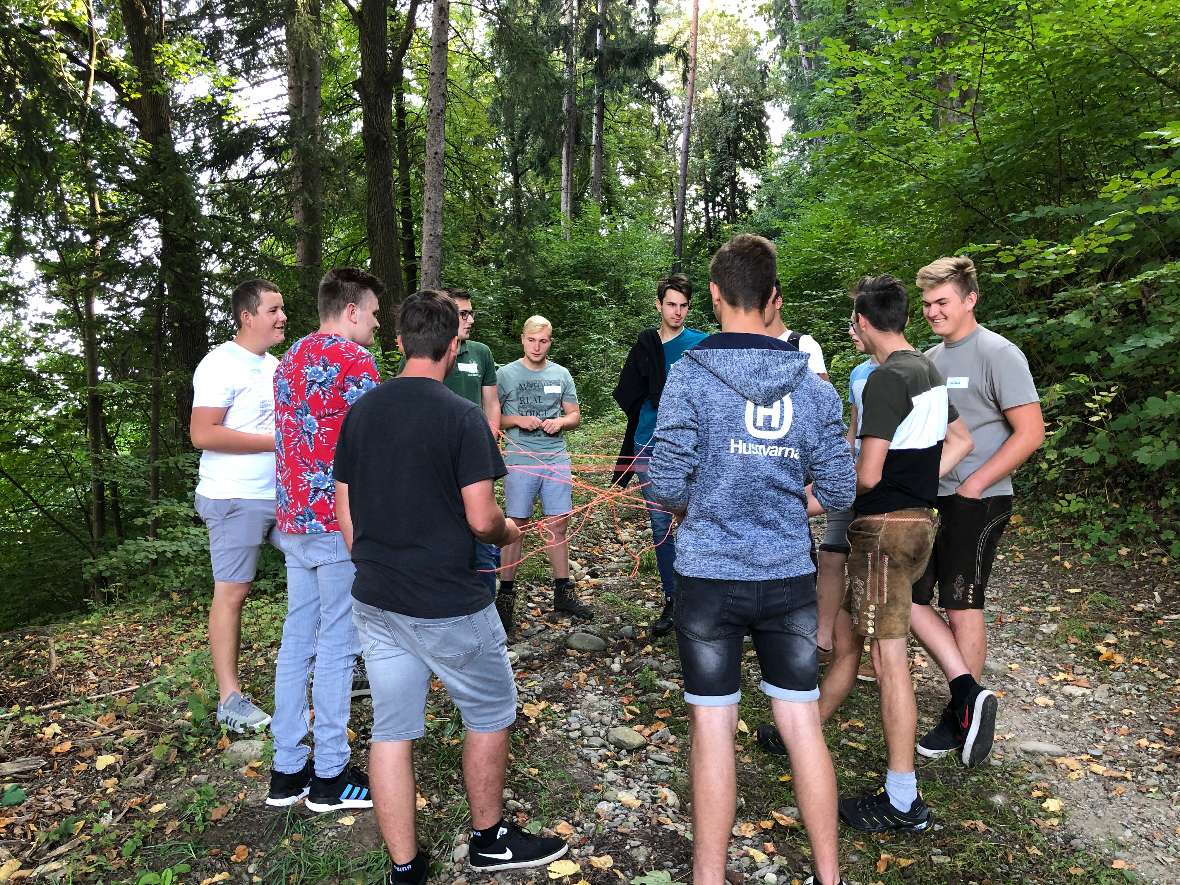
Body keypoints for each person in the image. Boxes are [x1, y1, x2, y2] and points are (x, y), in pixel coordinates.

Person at [335, 291, 569, 884]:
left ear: (400, 344)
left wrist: (371, 563)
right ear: (453, 344)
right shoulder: (461, 416)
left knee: (392, 729)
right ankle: (489, 840)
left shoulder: (362, 412)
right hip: (448, 601)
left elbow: (345, 510)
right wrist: (510, 531)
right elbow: (481, 516)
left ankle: (405, 868)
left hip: (376, 596)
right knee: (490, 713)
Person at [649, 234, 856, 885]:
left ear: (712, 295)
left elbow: (663, 483)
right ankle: (830, 876)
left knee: (714, 731)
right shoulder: (813, 386)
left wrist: (695, 500)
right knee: (801, 724)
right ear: (773, 298)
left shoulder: (689, 374)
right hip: (789, 579)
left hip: (708, 578)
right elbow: (843, 490)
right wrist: (791, 496)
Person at [815, 274, 980, 834]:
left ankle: (903, 800)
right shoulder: (927, 369)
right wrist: (917, 488)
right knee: (863, 643)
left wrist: (809, 500)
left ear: (862, 322)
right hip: (916, 524)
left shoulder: (886, 381)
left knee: (888, 662)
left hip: (883, 535)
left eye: (852, 321)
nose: (852, 330)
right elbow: (962, 442)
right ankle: (810, 729)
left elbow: (864, 476)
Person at [912, 256, 1045, 763]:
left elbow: (1030, 433)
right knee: (914, 596)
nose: (932, 311)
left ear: (970, 299)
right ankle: (967, 690)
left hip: (981, 497)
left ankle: (959, 715)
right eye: (926, 304)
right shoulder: (929, 358)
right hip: (935, 496)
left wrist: (975, 484)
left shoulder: (998, 353)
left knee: (961, 601)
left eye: (942, 301)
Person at [266, 267, 383, 811]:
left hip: (293, 522)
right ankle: (331, 776)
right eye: (375, 314)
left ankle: (287, 770)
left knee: (297, 642)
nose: (378, 325)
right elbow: (376, 439)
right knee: (337, 645)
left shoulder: (289, 359)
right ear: (353, 310)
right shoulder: (354, 361)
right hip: (337, 525)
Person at [191, 279, 286, 733]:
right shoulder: (219, 364)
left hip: (282, 495)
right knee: (233, 592)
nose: (282, 317)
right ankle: (230, 699)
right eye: (273, 310)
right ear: (248, 316)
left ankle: (338, 666)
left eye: (281, 309)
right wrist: (276, 441)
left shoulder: (276, 365)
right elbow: (203, 434)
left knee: (323, 566)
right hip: (234, 495)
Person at [611, 274, 708, 636]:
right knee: (660, 525)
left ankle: (700, 598)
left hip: (691, 445)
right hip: (648, 443)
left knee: (696, 520)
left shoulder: (701, 344)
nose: (677, 311)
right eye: (671, 304)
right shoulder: (646, 343)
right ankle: (673, 600)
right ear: (659, 305)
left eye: (683, 305)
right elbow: (628, 392)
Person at [496, 315, 591, 625]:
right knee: (516, 526)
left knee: (558, 525)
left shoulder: (561, 374)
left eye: (544, 341)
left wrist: (560, 422)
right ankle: (506, 596)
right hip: (520, 459)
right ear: (523, 340)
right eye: (532, 340)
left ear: (550, 341)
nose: (537, 346)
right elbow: (492, 419)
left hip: (555, 457)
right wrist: (517, 420)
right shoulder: (505, 375)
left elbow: (574, 415)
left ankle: (562, 592)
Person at [441, 289, 504, 610]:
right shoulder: (429, 353)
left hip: (475, 462)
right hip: (440, 465)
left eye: (471, 313)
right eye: (463, 314)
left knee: (482, 533)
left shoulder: (480, 353)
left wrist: (489, 441)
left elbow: (491, 403)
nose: (470, 320)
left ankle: (484, 609)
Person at [765, 279, 830, 381]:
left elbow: (823, 394)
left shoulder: (804, 344)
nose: (757, 310)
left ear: (778, 302)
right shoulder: (749, 348)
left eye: (763, 303)